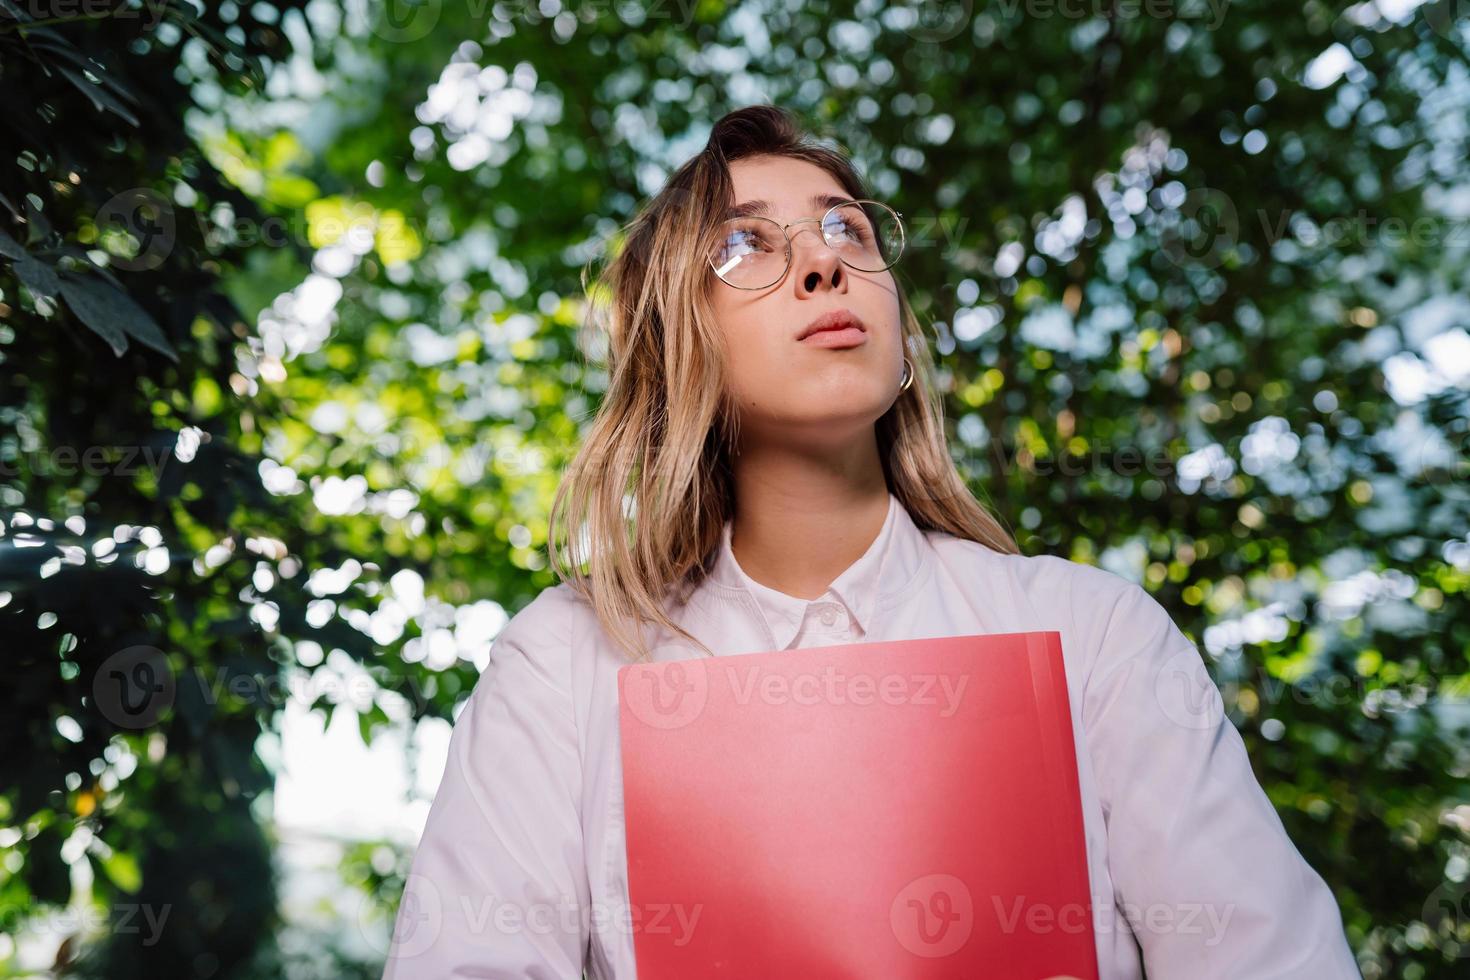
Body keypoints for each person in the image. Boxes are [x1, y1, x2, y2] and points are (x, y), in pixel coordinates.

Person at [380, 104, 1360, 979]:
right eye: (743, 246)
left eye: (845, 228)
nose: (825, 260)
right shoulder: (565, 663)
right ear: (679, 345)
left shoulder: (1094, 637)